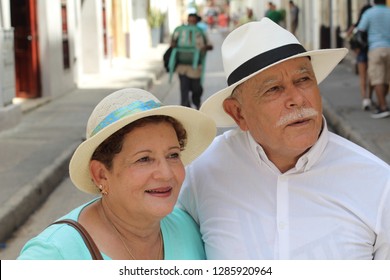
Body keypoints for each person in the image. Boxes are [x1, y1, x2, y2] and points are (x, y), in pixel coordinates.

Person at [178, 18, 390, 259]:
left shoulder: (379, 183)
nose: (297, 99)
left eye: (303, 80)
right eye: (274, 89)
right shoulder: (201, 173)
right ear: (238, 113)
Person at [17, 88, 216, 260]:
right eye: (144, 159)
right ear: (101, 175)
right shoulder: (55, 255)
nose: (166, 173)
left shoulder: (190, 229)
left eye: (173, 155)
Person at [170, 13, 213, 110]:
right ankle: (186, 110)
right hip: (182, 67)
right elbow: (173, 43)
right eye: (189, 21)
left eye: (193, 21)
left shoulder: (200, 33)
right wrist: (174, 44)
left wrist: (204, 48)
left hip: (195, 68)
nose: (191, 23)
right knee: (184, 90)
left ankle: (196, 102)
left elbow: (210, 45)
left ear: (197, 22)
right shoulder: (181, 32)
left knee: (196, 89)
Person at [357, 0, 390, 119]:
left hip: (375, 48)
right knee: (386, 78)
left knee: (377, 78)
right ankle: (383, 103)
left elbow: (360, 32)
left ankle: (383, 107)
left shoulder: (369, 13)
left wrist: (365, 46)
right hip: (389, 48)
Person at [347, 3, 373, 111]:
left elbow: (349, 35)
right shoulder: (371, 23)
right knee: (371, 77)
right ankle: (370, 98)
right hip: (371, 51)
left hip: (361, 53)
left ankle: (364, 99)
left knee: (362, 77)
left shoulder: (357, 24)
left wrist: (355, 48)